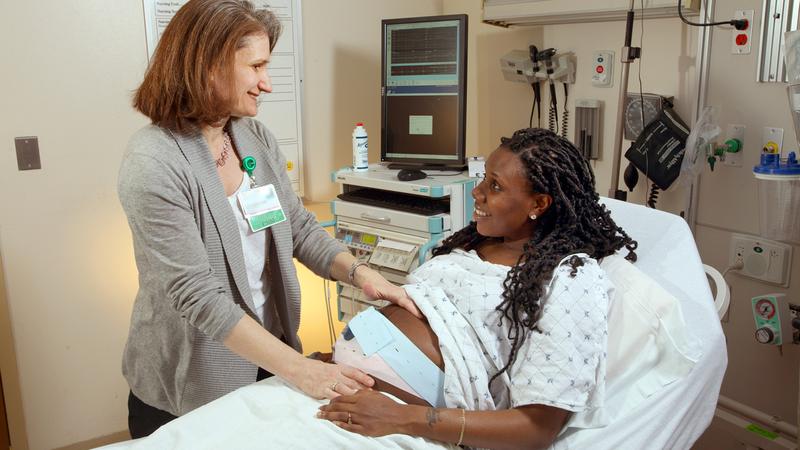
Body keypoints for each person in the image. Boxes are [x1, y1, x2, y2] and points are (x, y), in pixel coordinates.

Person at [117, 0, 416, 438]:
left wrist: (362, 274)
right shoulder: (153, 161)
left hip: (268, 357)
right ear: (209, 66)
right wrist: (301, 370)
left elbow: (296, 226)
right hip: (192, 381)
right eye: (256, 66)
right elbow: (197, 295)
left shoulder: (250, 136)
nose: (267, 84)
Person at [318, 128, 638, 449]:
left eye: (495, 186)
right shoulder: (478, 241)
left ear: (539, 203)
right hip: (349, 383)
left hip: (397, 411)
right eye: (484, 178)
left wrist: (402, 417)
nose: (477, 192)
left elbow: (538, 428)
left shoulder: (568, 276)